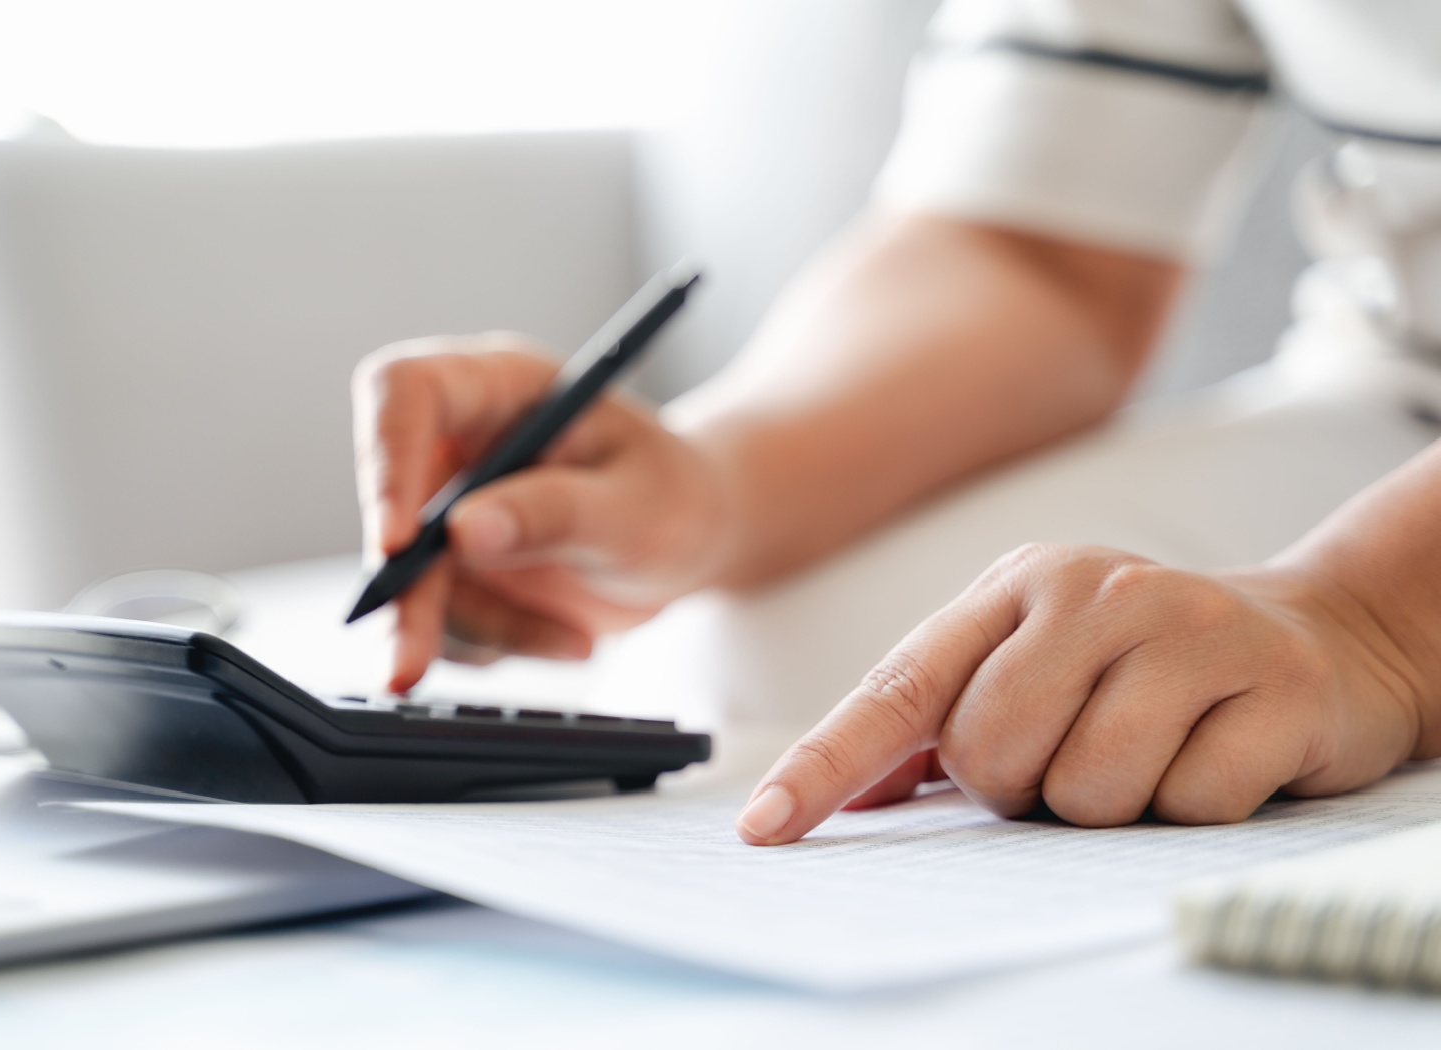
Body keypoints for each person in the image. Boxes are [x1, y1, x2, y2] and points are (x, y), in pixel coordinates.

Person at [351, 0, 1441, 845]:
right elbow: (1041, 250)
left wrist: (1382, 622)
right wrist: (722, 482)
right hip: (1400, 385)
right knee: (740, 666)